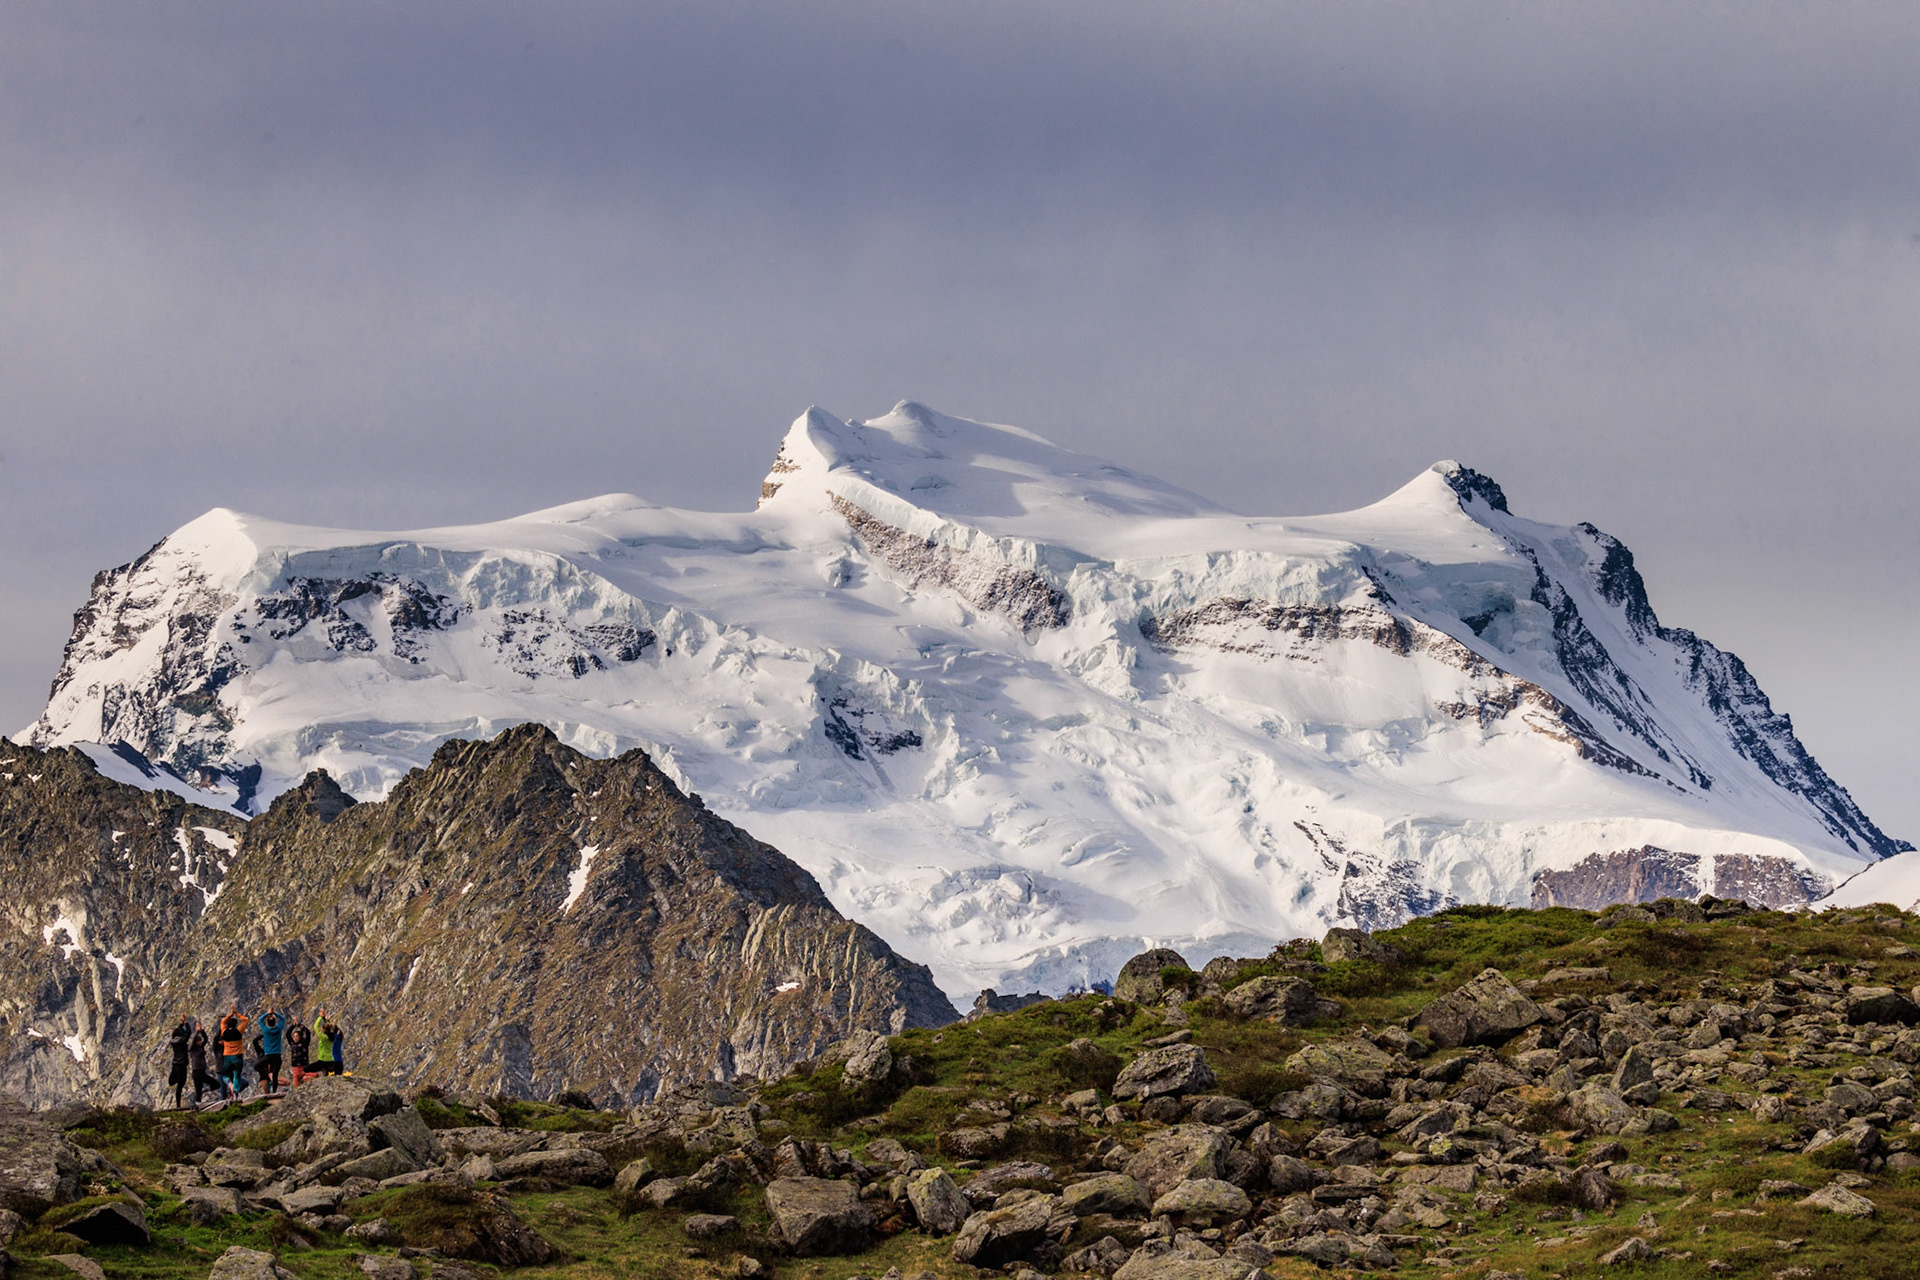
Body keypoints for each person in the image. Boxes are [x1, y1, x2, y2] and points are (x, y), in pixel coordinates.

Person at [216, 1003, 251, 1098]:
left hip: (228, 1056)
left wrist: (230, 1014)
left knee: (224, 1075)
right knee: (236, 1076)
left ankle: (230, 1085)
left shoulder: (224, 1032)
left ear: (228, 1025)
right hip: (238, 1056)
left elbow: (222, 1022)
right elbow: (245, 1020)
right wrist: (236, 1013)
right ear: (236, 1025)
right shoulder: (239, 1031)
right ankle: (235, 1092)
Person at [188, 1024, 222, 1104]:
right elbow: (192, 1042)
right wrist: (197, 1032)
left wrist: (202, 1031)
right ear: (196, 1042)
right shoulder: (192, 1049)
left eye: (200, 1041)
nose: (200, 1042)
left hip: (202, 1072)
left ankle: (206, 1090)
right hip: (196, 1072)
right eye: (198, 1041)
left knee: (216, 1084)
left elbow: (206, 1039)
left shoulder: (201, 1048)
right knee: (198, 1091)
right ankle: (198, 1105)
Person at [257, 1008, 286, 1094]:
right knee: (275, 1075)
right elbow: (283, 1019)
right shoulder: (279, 1029)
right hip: (277, 1055)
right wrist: (275, 1013)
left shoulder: (266, 1030)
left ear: (268, 1023)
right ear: (275, 1022)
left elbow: (260, 1020)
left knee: (256, 1066)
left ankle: (266, 1075)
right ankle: (274, 1092)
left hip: (268, 1055)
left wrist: (268, 1013)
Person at [167, 1016, 193, 1110]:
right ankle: (178, 1105)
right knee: (181, 1083)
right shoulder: (182, 1041)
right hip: (182, 1064)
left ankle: (178, 1104)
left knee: (179, 1083)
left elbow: (178, 1030)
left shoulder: (173, 1041)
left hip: (175, 1064)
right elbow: (189, 1032)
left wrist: (181, 1024)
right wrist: (186, 1022)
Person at [287, 1015, 313, 1087]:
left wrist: (298, 1025)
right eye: (294, 1036)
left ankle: (304, 1079)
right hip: (296, 1069)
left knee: (315, 1075)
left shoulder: (304, 1043)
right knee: (296, 1086)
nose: (295, 1038)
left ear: (300, 1037)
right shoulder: (292, 1044)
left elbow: (307, 1032)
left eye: (297, 1036)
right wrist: (293, 1025)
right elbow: (287, 1034)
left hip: (304, 1067)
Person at [310, 1009, 338, 1076]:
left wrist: (321, 1017)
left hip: (323, 1060)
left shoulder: (324, 1037)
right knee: (329, 1074)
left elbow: (316, 1027)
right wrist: (326, 1021)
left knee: (307, 1070)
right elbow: (328, 1028)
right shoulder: (332, 1036)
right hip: (330, 1059)